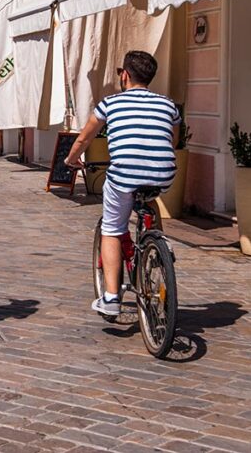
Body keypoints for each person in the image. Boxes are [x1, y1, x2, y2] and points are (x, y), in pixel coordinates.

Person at [65, 50, 180, 317]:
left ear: (125, 75)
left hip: (125, 174)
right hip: (163, 174)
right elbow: (171, 140)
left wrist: (71, 159)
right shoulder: (168, 105)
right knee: (149, 198)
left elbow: (84, 139)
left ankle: (112, 296)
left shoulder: (110, 104)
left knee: (112, 227)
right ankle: (158, 249)